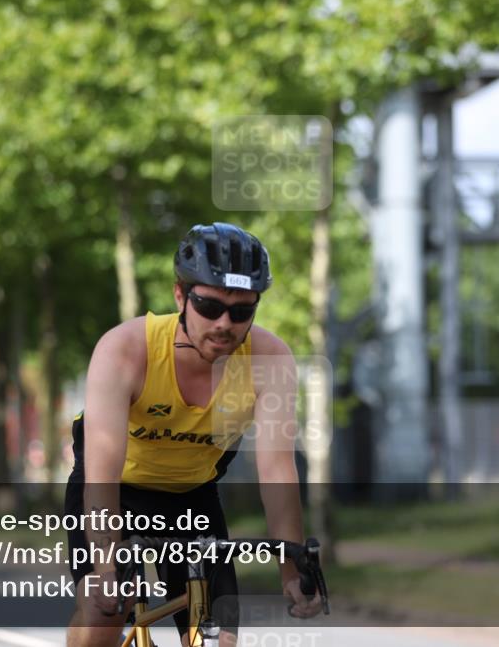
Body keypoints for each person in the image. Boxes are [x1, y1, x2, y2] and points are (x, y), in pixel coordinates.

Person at [65, 223, 322, 647]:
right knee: (104, 612)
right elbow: (102, 472)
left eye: (241, 312)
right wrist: (107, 569)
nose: (224, 324)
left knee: (220, 638)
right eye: (209, 306)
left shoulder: (270, 360)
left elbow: (277, 469)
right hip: (115, 489)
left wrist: (291, 569)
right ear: (180, 296)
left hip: (191, 496)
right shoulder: (126, 350)